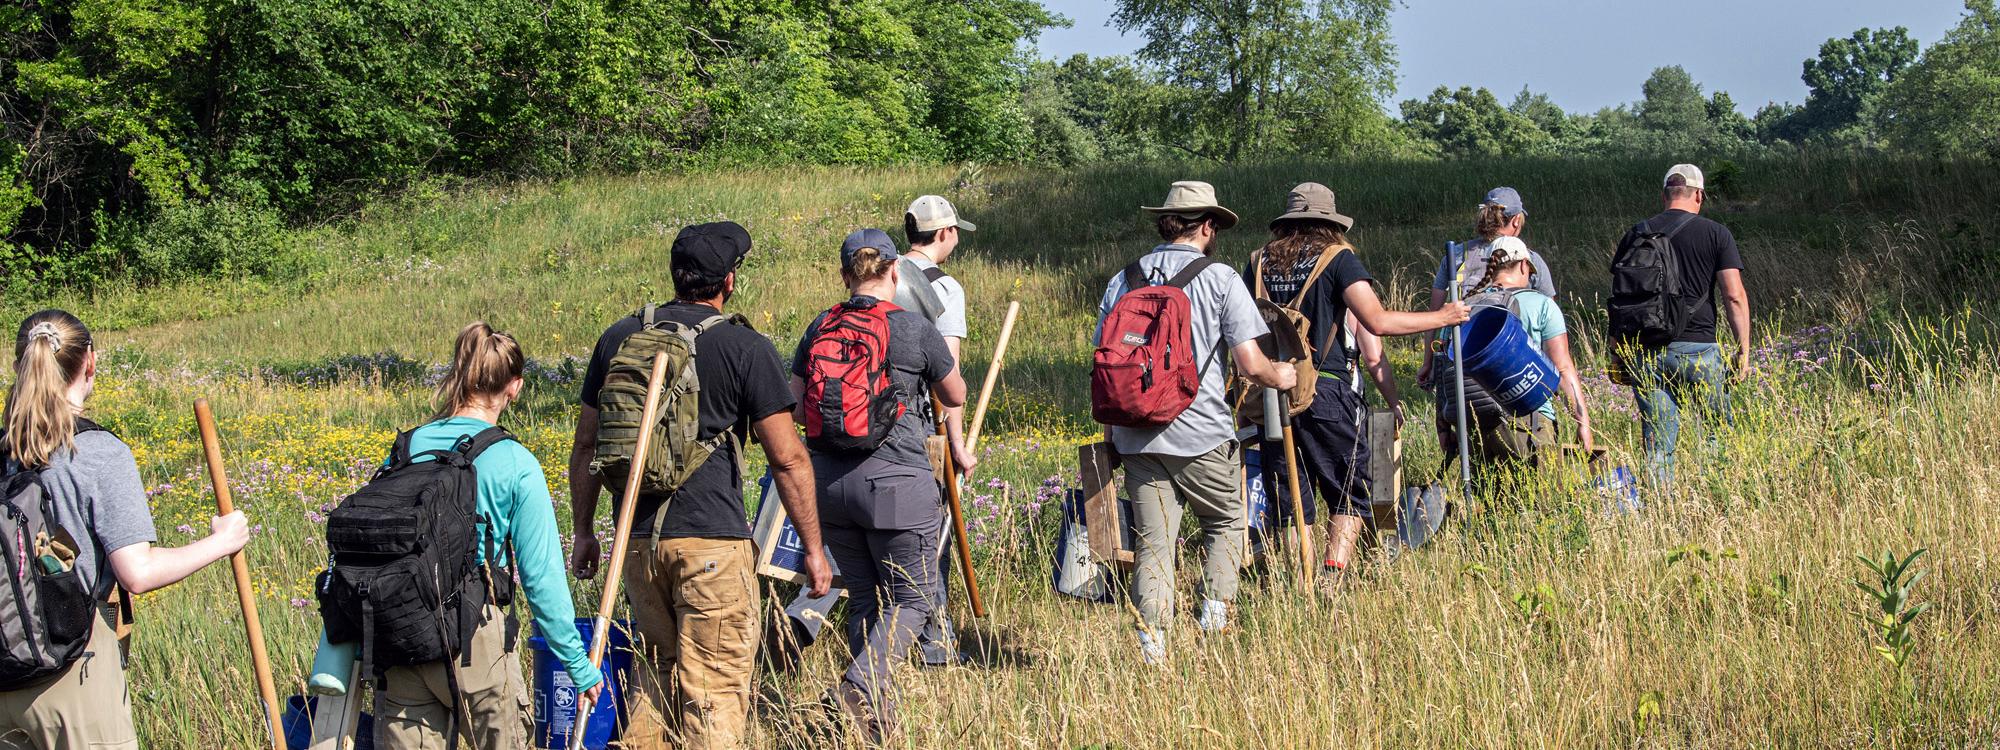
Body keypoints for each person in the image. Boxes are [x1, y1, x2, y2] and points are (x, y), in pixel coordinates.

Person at [568, 221, 832, 750]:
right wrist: (813, 549)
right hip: (713, 544)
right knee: (712, 691)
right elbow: (788, 458)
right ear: (729, 281)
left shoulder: (620, 337)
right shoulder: (744, 345)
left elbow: (586, 446)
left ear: (674, 275)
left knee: (654, 682)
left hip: (636, 543)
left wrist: (583, 532)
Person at [0, 310, 250, 749]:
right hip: (71, 663)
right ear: (90, 362)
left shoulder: (5, 452)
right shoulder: (97, 452)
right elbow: (137, 572)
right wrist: (222, 541)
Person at [372, 322, 603, 749]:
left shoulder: (409, 446)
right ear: (514, 388)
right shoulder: (516, 463)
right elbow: (542, 580)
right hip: (477, 641)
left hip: (403, 636)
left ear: (457, 373)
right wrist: (578, 663)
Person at [1095, 180, 1296, 663]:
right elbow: (1250, 362)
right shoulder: (1220, 278)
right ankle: (1213, 624)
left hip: (1137, 435)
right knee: (1226, 522)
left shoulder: (1123, 279)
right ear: (1207, 226)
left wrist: (1114, 434)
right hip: (1202, 431)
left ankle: (1152, 649)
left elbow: (1106, 360)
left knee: (1154, 543)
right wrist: (1281, 374)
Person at [792, 229, 967, 739]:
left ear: (846, 276)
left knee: (866, 600)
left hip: (829, 487)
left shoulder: (821, 325)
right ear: (895, 270)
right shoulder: (912, 328)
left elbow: (796, 399)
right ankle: (861, 684)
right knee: (914, 598)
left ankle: (874, 727)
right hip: (896, 484)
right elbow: (953, 392)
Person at [1244, 183, 1467, 577]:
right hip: (1325, 389)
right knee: (1353, 489)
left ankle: (1302, 583)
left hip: (1272, 393)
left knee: (1292, 500)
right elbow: (1376, 321)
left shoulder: (1258, 262)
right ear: (1330, 222)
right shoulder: (1337, 258)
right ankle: (1331, 576)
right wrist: (1442, 317)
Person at [1618, 164, 1751, 483]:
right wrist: (1743, 350)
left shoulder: (1637, 234)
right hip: (1699, 348)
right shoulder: (1717, 233)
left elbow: (1620, 297)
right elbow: (1734, 296)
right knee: (1717, 433)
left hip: (1647, 351)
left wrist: (1617, 353)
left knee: (1658, 444)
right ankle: (1720, 504)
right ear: (1699, 195)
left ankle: (1661, 516)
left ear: (1664, 195)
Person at [1429, 237, 1597, 482]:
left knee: (1490, 510)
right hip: (1529, 421)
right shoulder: (1542, 306)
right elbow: (1563, 368)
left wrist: (1443, 427)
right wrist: (1582, 422)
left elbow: (1444, 365)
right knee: (1539, 505)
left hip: (1474, 424)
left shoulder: (1461, 310)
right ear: (1523, 266)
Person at [894, 195, 976, 667]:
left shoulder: (878, 275)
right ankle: (935, 645)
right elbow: (949, 381)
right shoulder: (945, 288)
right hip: (922, 427)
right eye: (955, 230)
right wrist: (958, 445)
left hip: (867, 421)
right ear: (943, 233)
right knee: (934, 533)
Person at [1420, 187, 1556, 454]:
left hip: (1461, 373)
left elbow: (1434, 318)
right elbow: (1550, 320)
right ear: (1517, 221)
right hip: (1514, 373)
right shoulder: (1526, 259)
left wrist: (1428, 363)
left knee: (1475, 453)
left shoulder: (1455, 256)